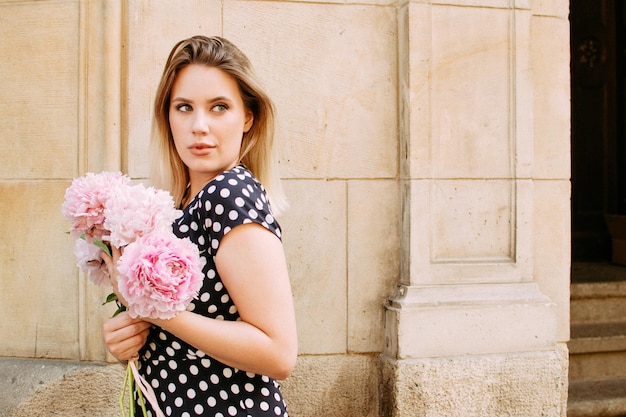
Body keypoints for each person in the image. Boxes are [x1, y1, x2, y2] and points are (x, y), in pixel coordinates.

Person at [101, 35, 297, 417]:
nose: (199, 126)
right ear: (167, 116)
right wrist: (131, 333)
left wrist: (154, 311)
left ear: (247, 117)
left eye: (219, 107)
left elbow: (278, 352)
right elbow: (189, 332)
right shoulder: (180, 204)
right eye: (184, 107)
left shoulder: (230, 195)